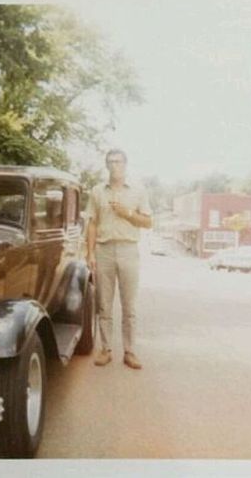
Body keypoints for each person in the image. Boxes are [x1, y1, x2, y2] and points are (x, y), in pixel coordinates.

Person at [86, 148, 152, 369]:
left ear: (126, 165)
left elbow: (148, 222)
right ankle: (105, 349)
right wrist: (90, 254)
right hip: (104, 250)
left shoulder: (138, 191)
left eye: (119, 162)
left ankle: (130, 351)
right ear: (106, 165)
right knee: (104, 304)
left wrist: (128, 214)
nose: (115, 166)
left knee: (129, 306)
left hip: (128, 250)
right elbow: (92, 223)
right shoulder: (97, 191)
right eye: (111, 162)